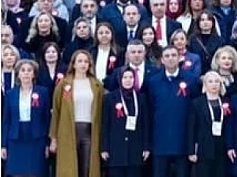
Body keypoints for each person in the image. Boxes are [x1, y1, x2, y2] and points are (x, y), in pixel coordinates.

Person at [49, 49, 105, 177]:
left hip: (89, 131)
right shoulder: (64, 84)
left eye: (86, 61)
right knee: (70, 169)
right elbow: (56, 111)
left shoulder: (97, 85)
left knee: (87, 168)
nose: (83, 64)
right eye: (80, 61)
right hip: (68, 130)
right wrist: (54, 138)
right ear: (73, 64)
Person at [146, 45, 199, 177]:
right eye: (167, 56)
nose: (170, 59)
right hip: (160, 141)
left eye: (174, 55)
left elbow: (194, 110)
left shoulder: (191, 80)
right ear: (162, 60)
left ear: (180, 58)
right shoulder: (153, 81)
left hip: (183, 140)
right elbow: (150, 110)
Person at [1, 59, 51, 177]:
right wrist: (3, 145)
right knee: (16, 173)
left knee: (34, 172)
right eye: (23, 70)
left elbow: (47, 119)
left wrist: (47, 143)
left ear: (34, 74)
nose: (26, 73)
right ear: (18, 74)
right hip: (15, 138)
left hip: (36, 138)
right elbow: (6, 121)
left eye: (29, 70)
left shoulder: (42, 92)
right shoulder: (10, 94)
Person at [100, 68, 150, 177]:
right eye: (125, 77)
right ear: (120, 79)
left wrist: (146, 147)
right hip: (115, 150)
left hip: (135, 150)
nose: (128, 80)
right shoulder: (110, 98)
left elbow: (145, 124)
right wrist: (104, 148)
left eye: (131, 77)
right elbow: (105, 125)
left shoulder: (141, 98)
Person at [186, 71, 230, 177]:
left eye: (216, 81)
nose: (214, 84)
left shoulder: (226, 101)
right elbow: (191, 128)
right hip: (203, 148)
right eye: (210, 82)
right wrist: (191, 151)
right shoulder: (197, 103)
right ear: (205, 84)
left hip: (221, 147)